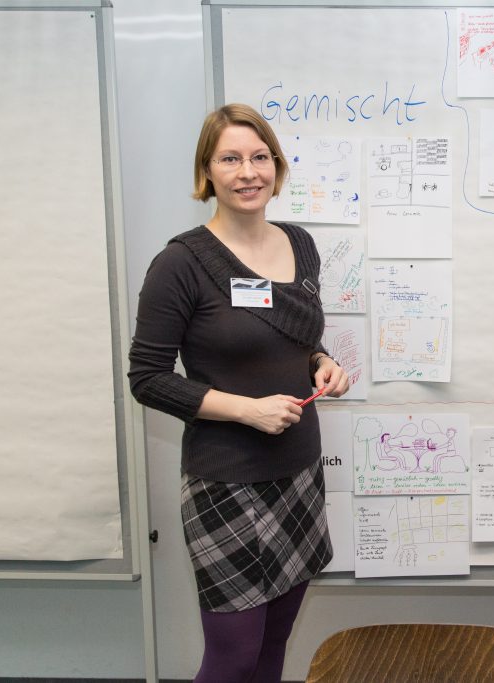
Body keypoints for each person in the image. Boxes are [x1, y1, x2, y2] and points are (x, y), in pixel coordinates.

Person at [129, 103, 350, 682]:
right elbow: (147, 378)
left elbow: (295, 337)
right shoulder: (180, 264)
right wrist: (245, 411)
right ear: (207, 171)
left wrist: (322, 362)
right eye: (230, 159)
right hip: (226, 482)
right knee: (232, 657)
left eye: (259, 157)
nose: (248, 172)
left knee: (274, 647)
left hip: (298, 472)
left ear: (276, 166)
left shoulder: (300, 244)